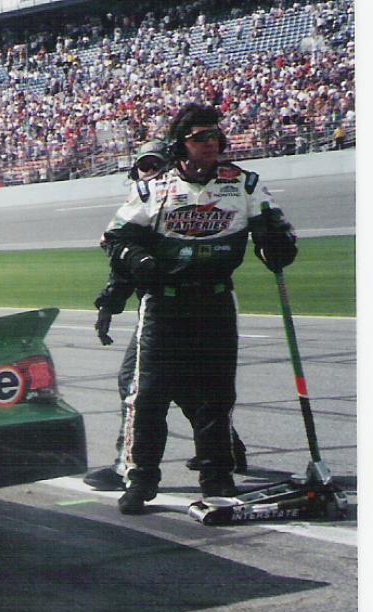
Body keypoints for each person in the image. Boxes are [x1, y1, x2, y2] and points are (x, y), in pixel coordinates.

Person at [100, 104, 297, 514]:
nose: (212, 144)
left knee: (216, 396)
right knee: (147, 396)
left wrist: (276, 243)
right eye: (201, 137)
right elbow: (115, 239)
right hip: (163, 305)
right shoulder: (154, 189)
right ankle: (140, 479)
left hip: (216, 302)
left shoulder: (243, 184)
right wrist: (139, 262)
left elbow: (276, 232)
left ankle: (217, 478)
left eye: (216, 136)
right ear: (180, 146)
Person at [85, 140, 246, 491]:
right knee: (184, 387)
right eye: (144, 166)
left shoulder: (177, 200)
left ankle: (127, 467)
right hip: (162, 308)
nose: (150, 171)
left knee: (138, 383)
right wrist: (109, 305)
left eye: (156, 164)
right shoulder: (145, 202)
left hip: (184, 308)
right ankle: (228, 449)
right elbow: (125, 266)